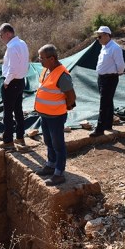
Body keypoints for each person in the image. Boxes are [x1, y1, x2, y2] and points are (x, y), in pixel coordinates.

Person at [34, 44, 77, 186]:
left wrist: (66, 107)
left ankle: (59, 173)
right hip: (45, 115)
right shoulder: (47, 70)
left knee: (58, 144)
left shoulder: (62, 75)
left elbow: (71, 96)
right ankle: (50, 165)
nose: (39, 60)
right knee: (48, 141)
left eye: (41, 58)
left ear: (51, 59)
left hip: (56, 116)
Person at [0, 23, 30, 149]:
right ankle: (20, 137)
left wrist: (6, 82)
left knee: (8, 113)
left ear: (7, 34)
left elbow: (12, 68)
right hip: (20, 81)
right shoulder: (22, 43)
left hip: (12, 82)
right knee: (18, 110)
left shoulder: (12, 47)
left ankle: (8, 141)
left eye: (1, 35)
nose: (1, 38)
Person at [90, 26, 125, 137]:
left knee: (104, 103)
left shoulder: (115, 48)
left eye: (99, 36)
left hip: (110, 78)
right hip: (102, 77)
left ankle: (100, 129)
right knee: (108, 102)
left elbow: (121, 65)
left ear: (106, 35)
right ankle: (108, 125)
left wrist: (117, 72)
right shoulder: (104, 47)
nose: (98, 38)